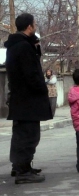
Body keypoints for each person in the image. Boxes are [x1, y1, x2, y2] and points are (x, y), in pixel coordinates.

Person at [5, 13, 52, 184]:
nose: (36, 26)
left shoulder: (15, 45)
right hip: (28, 100)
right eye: (35, 24)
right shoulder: (23, 47)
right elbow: (31, 74)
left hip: (20, 99)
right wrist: (41, 88)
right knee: (28, 136)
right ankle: (23, 171)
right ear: (29, 27)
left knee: (21, 135)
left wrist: (36, 47)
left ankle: (20, 166)